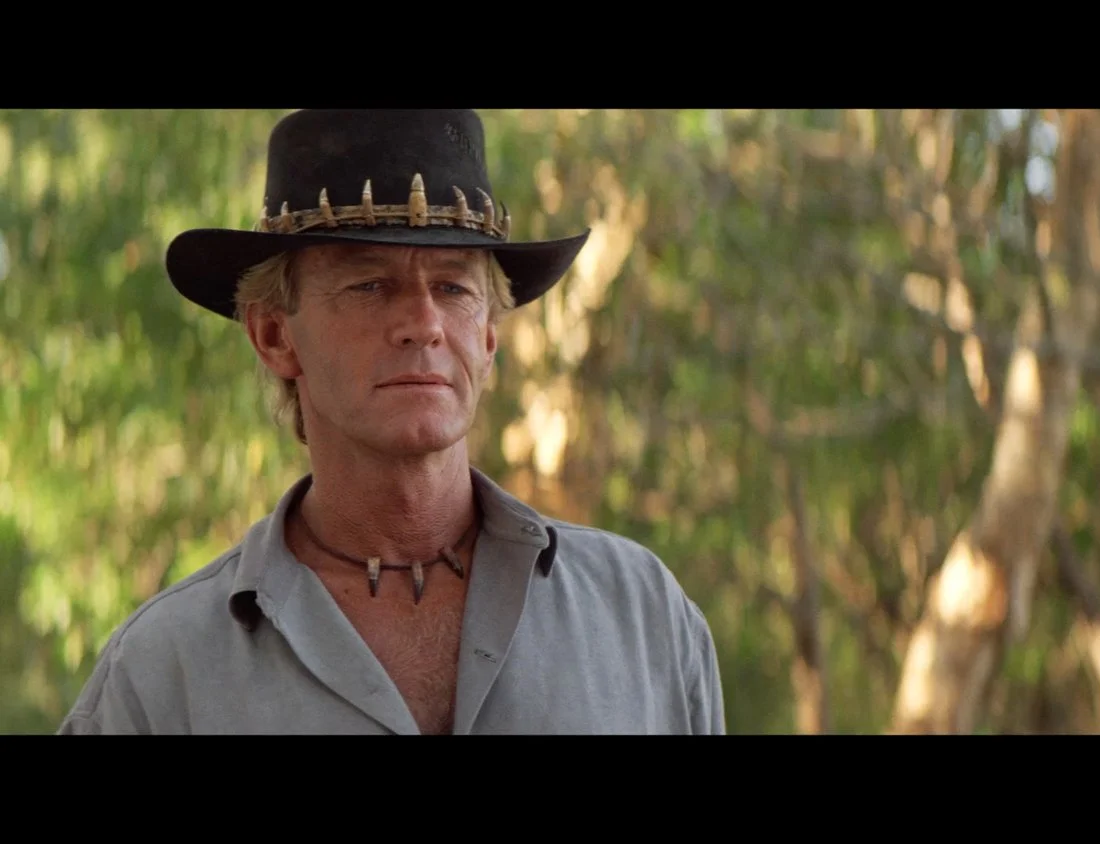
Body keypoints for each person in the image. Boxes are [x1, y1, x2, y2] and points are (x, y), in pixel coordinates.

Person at [56, 109, 726, 735]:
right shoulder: (163, 672)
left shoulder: (640, 615)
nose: (422, 324)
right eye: (368, 284)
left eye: (454, 287)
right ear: (273, 336)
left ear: (488, 337)